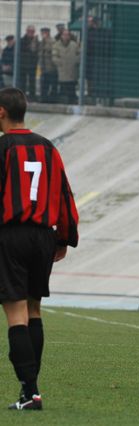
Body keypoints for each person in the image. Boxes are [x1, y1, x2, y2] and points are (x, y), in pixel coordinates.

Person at [0, 87, 79, 410]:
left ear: (1, 113)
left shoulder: (3, 148)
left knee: (15, 314)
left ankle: (30, 391)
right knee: (34, 310)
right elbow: (65, 195)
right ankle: (29, 392)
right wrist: (63, 239)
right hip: (43, 237)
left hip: (12, 235)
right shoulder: (48, 148)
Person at [52, 30, 79, 103]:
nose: (66, 36)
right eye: (64, 35)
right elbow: (54, 57)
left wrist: (75, 61)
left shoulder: (74, 44)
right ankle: (63, 99)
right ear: (61, 36)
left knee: (72, 85)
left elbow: (79, 54)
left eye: (67, 35)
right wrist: (60, 63)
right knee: (63, 85)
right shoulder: (56, 45)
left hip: (72, 69)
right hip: (62, 69)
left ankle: (72, 99)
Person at [19, 26, 39, 99]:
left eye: (32, 31)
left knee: (32, 81)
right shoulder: (22, 40)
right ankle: (22, 96)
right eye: (29, 31)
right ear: (26, 31)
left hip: (32, 64)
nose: (31, 33)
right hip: (23, 64)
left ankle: (32, 96)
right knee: (23, 82)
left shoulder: (36, 41)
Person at [39, 28, 57, 103]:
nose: (43, 34)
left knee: (52, 83)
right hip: (43, 66)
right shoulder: (41, 42)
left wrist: (45, 41)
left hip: (51, 66)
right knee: (44, 83)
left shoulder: (52, 41)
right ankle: (43, 97)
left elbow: (51, 49)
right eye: (42, 32)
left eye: (45, 32)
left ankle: (52, 98)